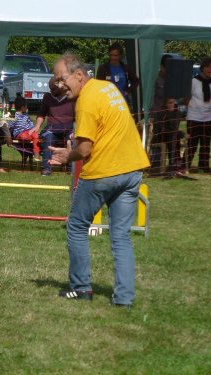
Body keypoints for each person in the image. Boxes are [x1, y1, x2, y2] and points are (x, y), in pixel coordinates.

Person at [49, 54, 150, 307]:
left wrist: (65, 157)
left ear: (79, 75)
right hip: (132, 170)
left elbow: (84, 150)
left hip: (103, 173)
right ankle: (124, 299)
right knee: (121, 236)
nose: (60, 85)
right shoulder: (109, 87)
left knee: (76, 226)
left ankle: (81, 288)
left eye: (62, 79)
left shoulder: (86, 101)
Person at [185, 57, 211, 173]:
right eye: (207, 67)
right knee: (192, 143)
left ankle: (204, 166)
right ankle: (185, 165)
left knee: (206, 144)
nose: (209, 70)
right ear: (202, 68)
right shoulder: (194, 81)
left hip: (209, 117)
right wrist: (190, 105)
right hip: (194, 117)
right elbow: (186, 96)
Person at [32, 77, 75, 176]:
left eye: (54, 89)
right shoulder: (47, 97)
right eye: (51, 89)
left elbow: (78, 117)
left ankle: (71, 169)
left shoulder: (71, 97)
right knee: (48, 138)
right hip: (53, 127)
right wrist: (37, 126)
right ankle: (46, 169)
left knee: (72, 140)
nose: (52, 91)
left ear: (61, 87)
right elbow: (41, 114)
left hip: (69, 128)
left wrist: (75, 131)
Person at [96, 42, 140, 106]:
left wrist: (127, 91)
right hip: (107, 101)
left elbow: (136, 81)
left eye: (116, 55)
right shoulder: (103, 68)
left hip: (122, 101)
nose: (113, 58)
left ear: (120, 56)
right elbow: (98, 85)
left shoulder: (125, 68)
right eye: (111, 55)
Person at [149, 98, 183, 174]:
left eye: (174, 103)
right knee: (175, 137)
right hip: (160, 137)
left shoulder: (177, 113)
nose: (172, 105)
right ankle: (171, 164)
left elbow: (174, 127)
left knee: (175, 137)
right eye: (170, 103)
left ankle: (174, 164)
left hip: (171, 136)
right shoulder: (160, 113)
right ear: (166, 104)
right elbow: (160, 129)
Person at [5, 96, 41, 161]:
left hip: (29, 132)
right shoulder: (14, 116)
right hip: (20, 133)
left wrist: (32, 130)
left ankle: (36, 152)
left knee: (36, 135)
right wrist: (9, 135)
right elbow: (9, 126)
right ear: (22, 107)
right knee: (24, 136)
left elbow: (31, 124)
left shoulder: (26, 115)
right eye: (26, 106)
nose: (27, 108)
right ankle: (32, 149)